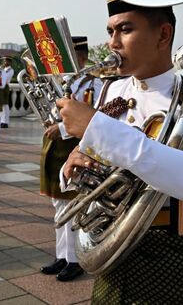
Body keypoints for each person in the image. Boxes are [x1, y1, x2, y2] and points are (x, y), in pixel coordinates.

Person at [57, 0, 183, 303]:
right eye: (110, 31)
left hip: (172, 252)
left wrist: (97, 128)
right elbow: (90, 158)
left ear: (163, 34)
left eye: (125, 29)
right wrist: (71, 168)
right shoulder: (111, 91)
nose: (112, 43)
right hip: (109, 240)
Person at [40, 36, 102, 282]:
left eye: (68, 56)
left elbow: (95, 117)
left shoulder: (93, 84)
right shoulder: (59, 82)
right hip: (54, 149)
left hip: (76, 147)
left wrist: (62, 129)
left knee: (74, 206)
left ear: (82, 57)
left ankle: (75, 260)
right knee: (58, 205)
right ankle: (62, 255)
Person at [0, 57, 15, 128]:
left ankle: (5, 121)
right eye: (4, 61)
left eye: (6, 61)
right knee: (1, 105)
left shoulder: (10, 70)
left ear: (10, 62)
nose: (5, 62)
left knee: (5, 105)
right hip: (1, 87)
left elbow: (5, 78)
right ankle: (2, 120)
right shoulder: (3, 69)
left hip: (5, 86)